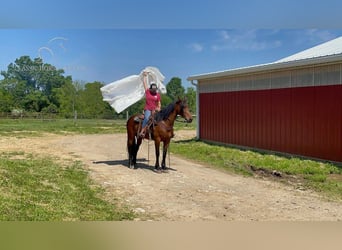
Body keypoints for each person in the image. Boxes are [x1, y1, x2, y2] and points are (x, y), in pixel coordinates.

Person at [139, 72, 161, 138]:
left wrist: (159, 107)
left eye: (155, 89)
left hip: (155, 109)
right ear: (151, 89)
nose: (154, 90)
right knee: (146, 118)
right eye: (153, 89)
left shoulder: (157, 95)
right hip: (148, 108)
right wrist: (145, 76)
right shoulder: (148, 92)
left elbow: (159, 102)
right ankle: (142, 131)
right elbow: (145, 84)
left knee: (161, 118)